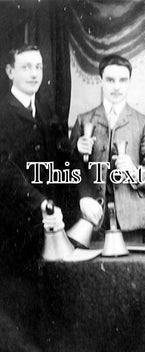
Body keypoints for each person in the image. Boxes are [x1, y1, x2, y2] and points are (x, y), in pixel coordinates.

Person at [70, 54, 145, 243]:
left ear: (129, 83)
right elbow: (70, 167)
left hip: (131, 218)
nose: (117, 86)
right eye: (110, 80)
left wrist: (135, 172)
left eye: (122, 80)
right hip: (92, 216)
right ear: (101, 81)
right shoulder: (83, 120)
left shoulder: (143, 123)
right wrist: (76, 150)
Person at [0, 44, 68, 270]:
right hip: (11, 230)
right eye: (26, 67)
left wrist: (85, 196)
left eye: (38, 67)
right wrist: (40, 203)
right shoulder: (2, 112)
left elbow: (65, 157)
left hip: (47, 227)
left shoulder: (47, 111)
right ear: (10, 72)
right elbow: (4, 169)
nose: (34, 73)